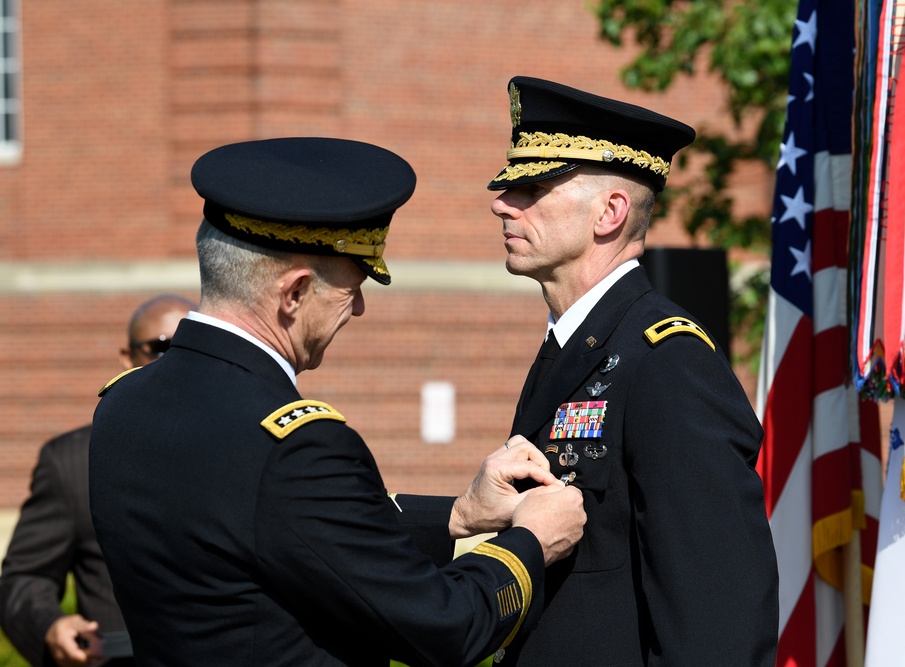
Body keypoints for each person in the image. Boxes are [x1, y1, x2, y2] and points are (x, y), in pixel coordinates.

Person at [88, 137, 586, 667]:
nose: (362, 307)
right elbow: (445, 625)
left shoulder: (123, 403)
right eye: (352, 287)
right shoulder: (294, 445)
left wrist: (461, 515)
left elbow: (272, 531)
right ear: (294, 293)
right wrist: (533, 539)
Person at [486, 76, 779, 665]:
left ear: (610, 213)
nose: (502, 202)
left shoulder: (666, 363)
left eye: (532, 187)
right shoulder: (575, 347)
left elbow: (718, 621)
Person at [0, 293, 196, 667]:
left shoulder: (249, 446)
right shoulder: (72, 461)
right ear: (127, 358)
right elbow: (25, 577)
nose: (173, 362)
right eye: (160, 347)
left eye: (189, 348)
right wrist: (50, 625)